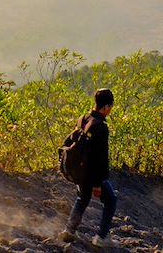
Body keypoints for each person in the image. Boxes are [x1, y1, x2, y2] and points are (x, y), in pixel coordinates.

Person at [58, 88, 118, 249]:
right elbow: (100, 158)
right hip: (90, 174)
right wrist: (98, 183)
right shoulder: (100, 127)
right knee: (111, 199)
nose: (110, 110)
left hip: (78, 171)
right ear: (105, 107)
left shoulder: (83, 119)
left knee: (82, 198)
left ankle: (69, 230)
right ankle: (101, 236)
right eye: (110, 107)